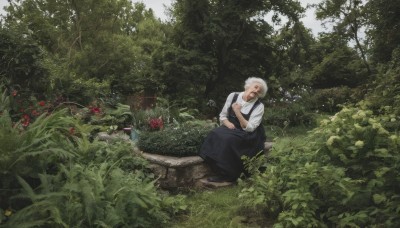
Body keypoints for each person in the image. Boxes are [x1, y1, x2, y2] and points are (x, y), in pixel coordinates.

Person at [199, 77, 268, 182]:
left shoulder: (259, 106)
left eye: (259, 91)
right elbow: (223, 116)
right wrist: (227, 123)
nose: (256, 91)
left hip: (248, 133)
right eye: (256, 87)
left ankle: (228, 174)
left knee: (228, 140)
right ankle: (214, 164)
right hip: (231, 126)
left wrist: (237, 112)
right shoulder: (233, 96)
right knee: (215, 133)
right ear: (248, 86)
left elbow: (250, 128)